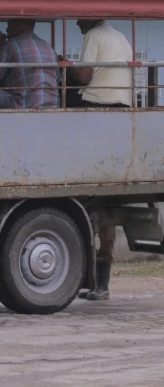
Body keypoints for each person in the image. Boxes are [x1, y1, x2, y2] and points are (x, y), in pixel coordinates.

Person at [70, 20, 133, 301]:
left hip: (97, 107)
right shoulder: (120, 36)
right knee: (106, 199)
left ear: (91, 16)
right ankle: (100, 283)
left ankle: (97, 282)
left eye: (80, 16)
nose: (76, 21)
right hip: (121, 112)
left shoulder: (94, 35)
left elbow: (83, 78)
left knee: (91, 196)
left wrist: (69, 69)